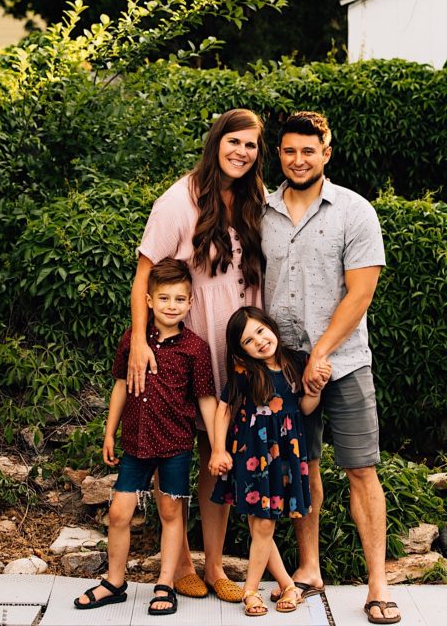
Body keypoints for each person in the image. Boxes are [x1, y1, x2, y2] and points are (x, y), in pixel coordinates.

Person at [262, 111, 401, 626]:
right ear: (279, 154)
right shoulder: (262, 212)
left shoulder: (354, 211)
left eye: (308, 150)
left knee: (361, 468)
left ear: (326, 151)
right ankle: (309, 567)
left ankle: (378, 584)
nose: (298, 160)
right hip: (280, 366)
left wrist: (321, 353)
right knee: (303, 465)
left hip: (342, 363)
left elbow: (361, 292)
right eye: (289, 151)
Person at [127, 109, 266, 602]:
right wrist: (141, 342)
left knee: (218, 453)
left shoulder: (257, 199)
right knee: (176, 450)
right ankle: (179, 560)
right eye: (234, 141)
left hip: (237, 346)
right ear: (216, 143)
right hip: (185, 344)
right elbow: (145, 273)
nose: (241, 152)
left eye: (251, 145)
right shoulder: (179, 200)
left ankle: (214, 566)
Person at [74, 258, 217, 616]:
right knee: (119, 513)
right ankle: (114, 582)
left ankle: (165, 584)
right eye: (164, 298)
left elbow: (206, 399)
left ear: (190, 303)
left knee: (172, 511)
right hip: (136, 442)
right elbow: (121, 385)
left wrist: (218, 446)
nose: (172, 306)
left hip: (175, 444)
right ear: (149, 301)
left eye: (180, 299)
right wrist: (109, 432)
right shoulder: (133, 340)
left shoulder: (195, 349)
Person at [209, 307, 331, 617]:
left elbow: (304, 407)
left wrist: (315, 390)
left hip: (286, 455)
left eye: (261, 331)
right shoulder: (245, 373)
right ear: (241, 350)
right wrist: (218, 450)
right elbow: (225, 408)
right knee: (262, 523)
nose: (260, 342)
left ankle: (286, 584)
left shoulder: (295, 362)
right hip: (253, 454)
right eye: (249, 340)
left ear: (271, 326)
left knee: (262, 524)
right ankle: (252, 591)